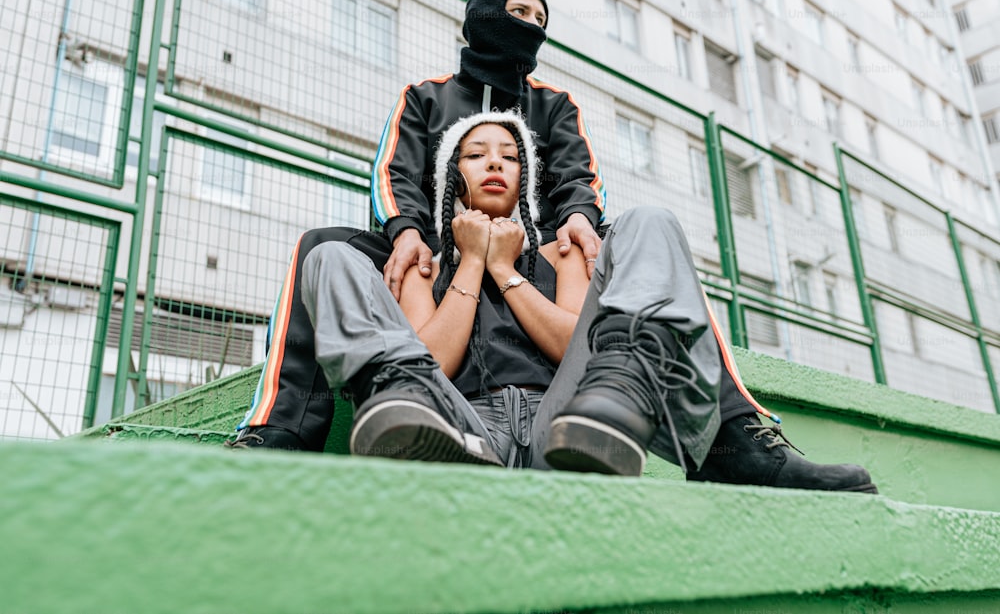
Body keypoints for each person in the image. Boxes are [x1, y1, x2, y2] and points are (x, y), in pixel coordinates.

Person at [255, 109, 877, 493]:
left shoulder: (562, 253)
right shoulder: (424, 261)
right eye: (476, 156)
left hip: (572, 427)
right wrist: (472, 260)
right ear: (453, 178)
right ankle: (425, 451)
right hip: (455, 429)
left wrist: (507, 269)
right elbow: (432, 361)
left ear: (526, 179)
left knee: (651, 221)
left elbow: (568, 339)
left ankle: (641, 415)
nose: (495, 164)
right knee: (330, 254)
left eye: (509, 156)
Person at [228, 0, 606, 452]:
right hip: (433, 241)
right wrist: (407, 231)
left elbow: (580, 178)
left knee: (628, 239)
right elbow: (394, 173)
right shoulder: (426, 97)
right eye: (519, 13)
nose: (531, 27)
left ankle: (726, 417)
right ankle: (282, 425)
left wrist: (576, 222)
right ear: (484, 17)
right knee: (320, 246)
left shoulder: (554, 105)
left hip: (535, 247)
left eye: (540, 19)